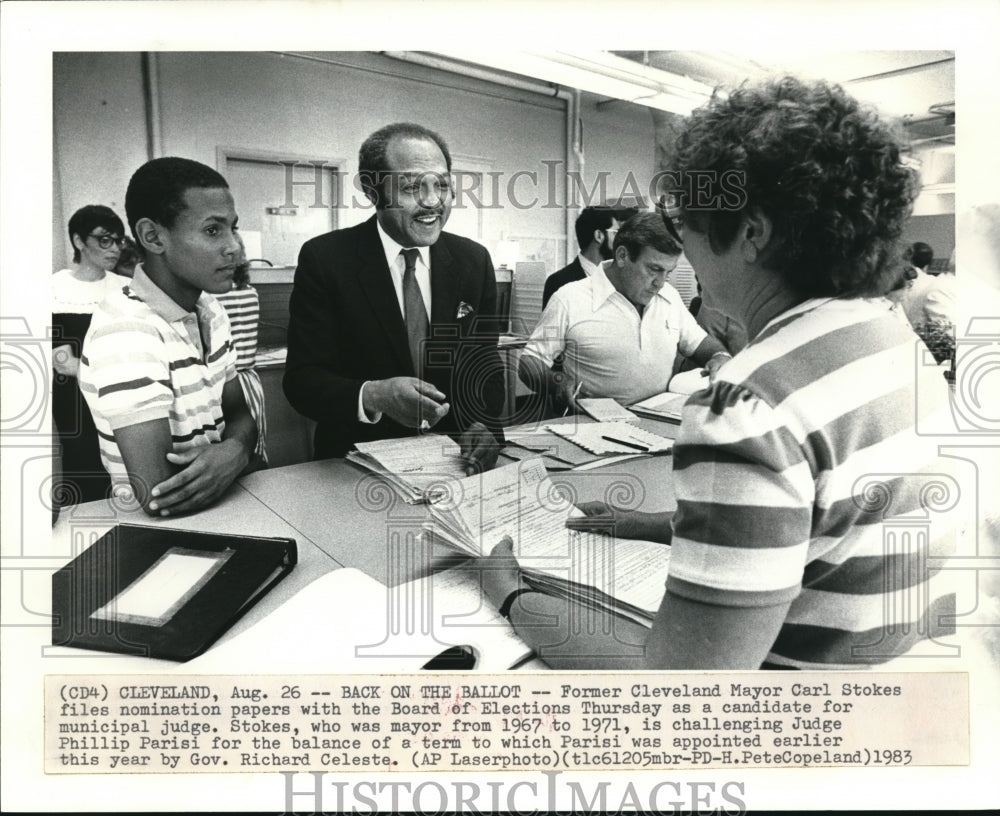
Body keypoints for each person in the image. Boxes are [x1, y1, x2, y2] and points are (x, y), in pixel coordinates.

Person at [481, 77, 957, 670]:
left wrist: (511, 595)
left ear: (750, 233)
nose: (682, 252)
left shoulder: (748, 405)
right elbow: (813, 522)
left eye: (687, 221)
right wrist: (656, 524)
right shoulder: (890, 340)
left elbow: (679, 694)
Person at [284, 122, 504, 472]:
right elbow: (302, 381)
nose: (433, 202)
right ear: (373, 192)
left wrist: (485, 425)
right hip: (355, 469)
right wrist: (374, 395)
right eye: (413, 187)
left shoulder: (473, 261)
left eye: (442, 186)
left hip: (455, 463)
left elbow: (485, 362)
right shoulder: (326, 260)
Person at [79, 157, 258, 516]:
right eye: (213, 230)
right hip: (165, 533)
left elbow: (242, 414)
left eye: (233, 228)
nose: (234, 247)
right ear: (153, 236)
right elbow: (157, 492)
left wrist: (233, 452)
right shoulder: (126, 331)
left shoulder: (210, 309)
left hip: (227, 509)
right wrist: (239, 452)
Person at [519, 212, 731, 413]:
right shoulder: (569, 299)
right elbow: (530, 363)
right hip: (594, 426)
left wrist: (719, 356)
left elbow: (701, 344)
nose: (660, 283)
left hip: (657, 422)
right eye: (654, 269)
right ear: (622, 256)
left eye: (668, 272)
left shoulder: (670, 297)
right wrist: (557, 381)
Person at [51, 205, 130, 506]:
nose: (115, 249)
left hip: (121, 395)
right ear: (79, 241)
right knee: (85, 467)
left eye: (119, 240)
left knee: (126, 467)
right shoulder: (55, 288)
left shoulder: (125, 287)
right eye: (104, 240)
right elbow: (61, 361)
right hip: (75, 401)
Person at [215, 259, 268, 465]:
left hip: (229, 382)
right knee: (257, 442)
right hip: (252, 380)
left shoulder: (213, 299)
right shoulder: (251, 293)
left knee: (231, 451)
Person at [541, 206, 635, 308]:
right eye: (615, 233)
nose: (619, 240)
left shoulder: (622, 280)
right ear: (599, 236)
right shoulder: (558, 282)